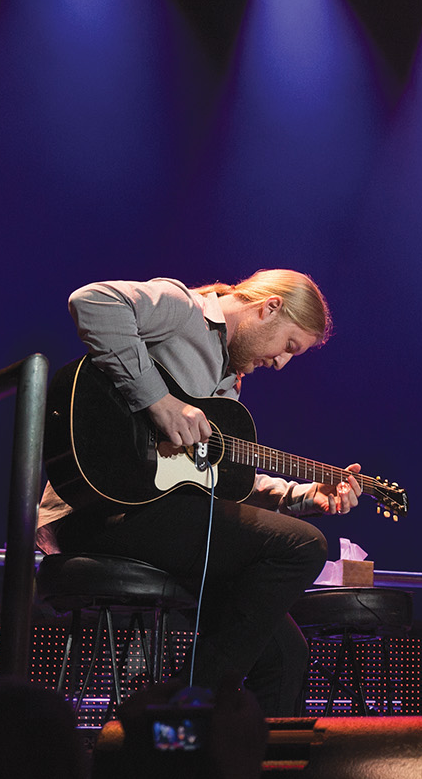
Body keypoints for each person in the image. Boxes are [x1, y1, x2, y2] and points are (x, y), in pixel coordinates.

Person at [35, 270, 363, 718]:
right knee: (302, 545)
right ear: (269, 309)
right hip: (101, 510)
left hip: (170, 525)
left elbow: (215, 481)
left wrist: (304, 497)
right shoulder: (184, 310)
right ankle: (178, 718)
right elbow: (91, 300)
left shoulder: (228, 385)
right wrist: (158, 400)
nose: (282, 364)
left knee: (286, 655)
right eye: (288, 346)